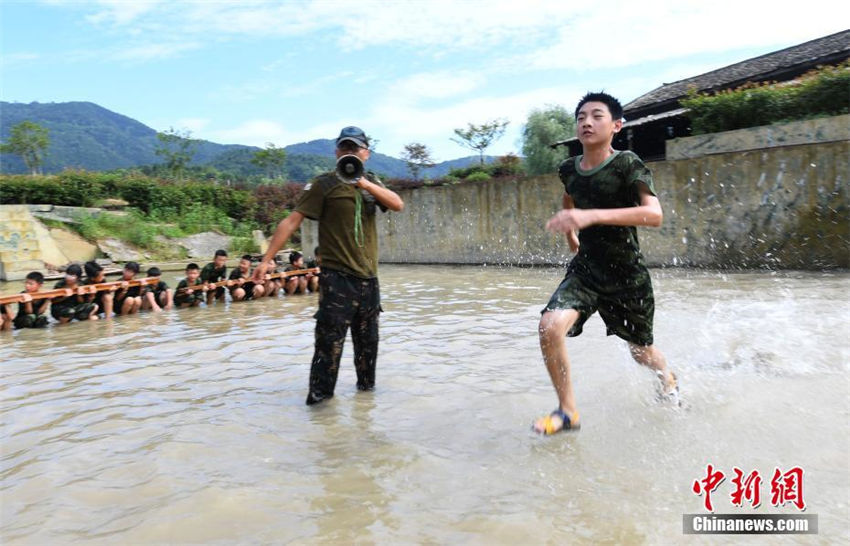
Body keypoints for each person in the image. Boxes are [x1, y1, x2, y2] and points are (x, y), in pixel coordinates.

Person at [533, 92, 679, 435]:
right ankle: (568, 412)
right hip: (587, 270)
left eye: (597, 116)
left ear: (616, 125)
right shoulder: (568, 169)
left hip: (627, 274)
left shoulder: (627, 163)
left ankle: (668, 379)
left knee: (641, 353)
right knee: (549, 326)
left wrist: (592, 215)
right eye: (581, 116)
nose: (586, 121)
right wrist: (573, 232)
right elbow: (570, 196)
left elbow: (653, 214)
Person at [253, 126, 404, 405]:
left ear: (366, 154)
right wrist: (266, 260)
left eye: (354, 149)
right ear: (336, 153)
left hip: (369, 281)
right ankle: (321, 415)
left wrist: (364, 184)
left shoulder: (372, 183)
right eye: (344, 148)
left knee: (368, 350)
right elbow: (292, 221)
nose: (349, 153)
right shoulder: (323, 184)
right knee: (328, 350)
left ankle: (365, 409)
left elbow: (397, 204)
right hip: (337, 281)